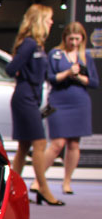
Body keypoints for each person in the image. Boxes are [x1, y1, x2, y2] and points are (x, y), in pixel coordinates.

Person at [6, 3, 63, 205]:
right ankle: (43, 189)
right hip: (24, 97)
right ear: (40, 20)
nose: (51, 22)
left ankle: (10, 191)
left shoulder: (37, 45)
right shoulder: (29, 44)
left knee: (24, 146)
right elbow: (11, 69)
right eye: (49, 18)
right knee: (39, 143)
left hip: (31, 97)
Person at [40, 22, 99, 194]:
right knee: (57, 143)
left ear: (82, 39)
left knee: (74, 144)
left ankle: (67, 182)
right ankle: (39, 179)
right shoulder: (55, 54)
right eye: (71, 39)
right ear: (65, 38)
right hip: (58, 102)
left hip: (80, 103)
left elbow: (94, 82)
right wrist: (67, 73)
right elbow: (51, 77)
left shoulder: (86, 56)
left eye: (77, 39)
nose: (73, 42)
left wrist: (78, 76)